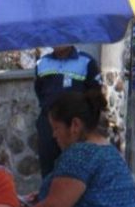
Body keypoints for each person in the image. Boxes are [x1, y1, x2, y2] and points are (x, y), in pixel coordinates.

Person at [34, 45, 101, 177]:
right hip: (48, 123)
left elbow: (95, 95)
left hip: (75, 125)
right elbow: (40, 91)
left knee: (78, 168)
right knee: (48, 168)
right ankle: (51, 195)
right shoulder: (42, 63)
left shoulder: (86, 62)